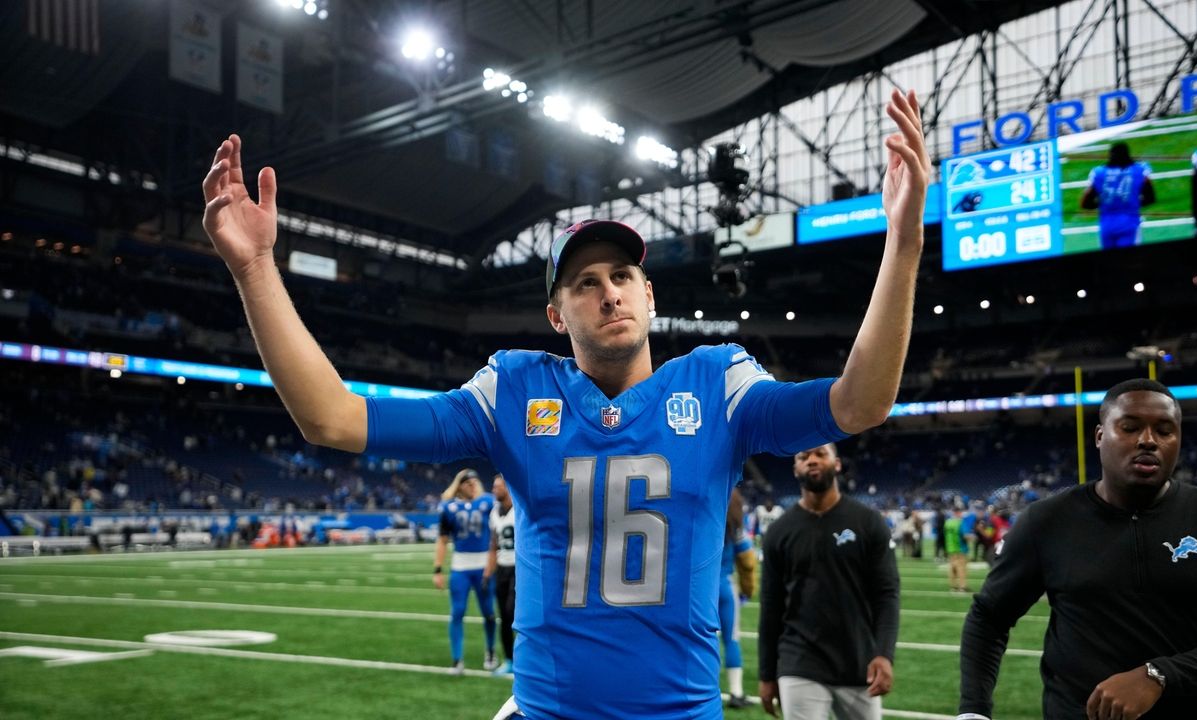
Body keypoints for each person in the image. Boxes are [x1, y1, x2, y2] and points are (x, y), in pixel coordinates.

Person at [200, 87, 930, 720]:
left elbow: (859, 403)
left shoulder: (719, 384)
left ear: (650, 294)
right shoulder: (514, 389)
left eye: (622, 275)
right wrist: (256, 268)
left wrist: (901, 243)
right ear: (557, 314)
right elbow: (333, 417)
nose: (609, 290)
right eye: (584, 282)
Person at [957, 378, 1197, 720]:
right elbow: (989, 617)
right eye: (1130, 427)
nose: (1148, 441)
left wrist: (1158, 676)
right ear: (1099, 437)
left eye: (1165, 430)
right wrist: (974, 710)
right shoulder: (1046, 521)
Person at [758, 443, 900, 720]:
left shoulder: (868, 522)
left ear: (837, 464)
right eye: (803, 456)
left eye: (820, 453)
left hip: (858, 660)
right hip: (798, 661)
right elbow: (771, 606)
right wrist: (766, 674)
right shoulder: (778, 532)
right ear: (795, 468)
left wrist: (884, 653)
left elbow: (886, 594)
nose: (812, 460)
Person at [433, 468, 498, 675]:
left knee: (489, 613)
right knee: (457, 613)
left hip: (483, 566)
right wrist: (437, 568)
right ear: (459, 485)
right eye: (468, 483)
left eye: (475, 482)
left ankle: (490, 651)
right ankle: (456, 659)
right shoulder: (448, 507)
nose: (473, 486)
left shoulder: (487, 502)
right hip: (460, 566)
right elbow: (442, 540)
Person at [1080, 142, 1155, 249]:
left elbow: (1085, 203)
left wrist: (1103, 205)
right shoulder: (1139, 170)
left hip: (1107, 226)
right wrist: (1133, 203)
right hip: (1129, 224)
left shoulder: (1099, 173)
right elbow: (1150, 198)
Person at [721, 487, 757, 709]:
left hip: (696, 588)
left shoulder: (698, 513)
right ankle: (736, 692)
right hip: (724, 585)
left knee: (698, 640)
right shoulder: (735, 517)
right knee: (731, 639)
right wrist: (748, 588)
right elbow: (747, 557)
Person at [484, 473, 517, 675]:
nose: (494, 490)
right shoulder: (494, 513)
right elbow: (493, 545)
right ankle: (509, 660)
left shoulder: (519, 510)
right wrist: (488, 573)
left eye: (498, 486)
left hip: (518, 568)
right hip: (502, 568)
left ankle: (524, 659)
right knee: (503, 617)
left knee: (512, 613)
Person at [943, 505, 969, 592]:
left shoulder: (948, 522)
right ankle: (962, 587)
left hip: (950, 548)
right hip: (960, 548)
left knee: (952, 569)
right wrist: (972, 537)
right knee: (961, 569)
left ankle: (953, 586)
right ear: (958, 512)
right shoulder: (961, 522)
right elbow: (965, 536)